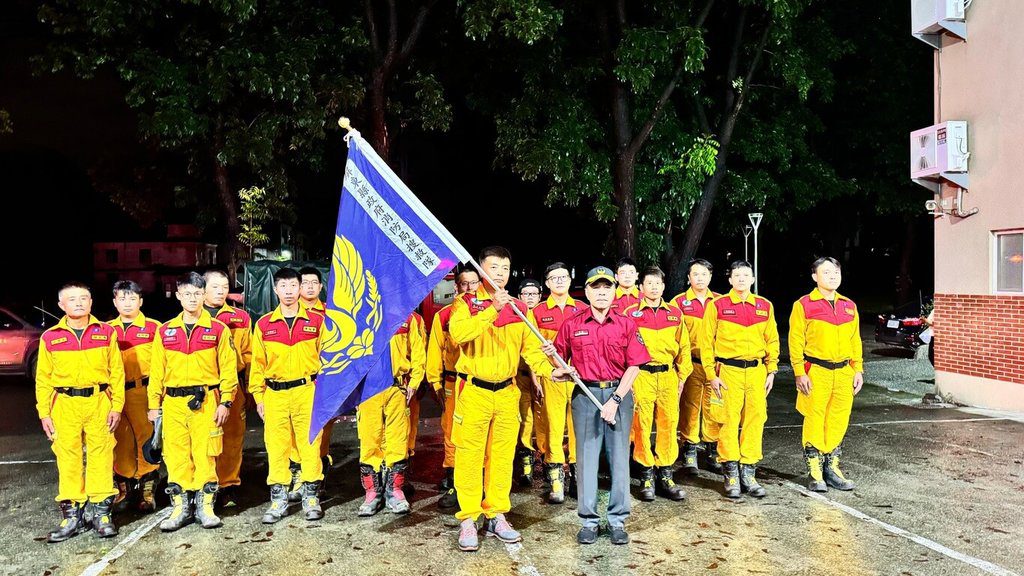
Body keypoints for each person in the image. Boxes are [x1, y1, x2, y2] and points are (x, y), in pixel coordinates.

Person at [448, 246, 560, 552]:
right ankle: (469, 517)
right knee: (470, 457)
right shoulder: (465, 304)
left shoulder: (520, 309)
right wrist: (492, 310)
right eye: (494, 267)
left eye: (505, 268)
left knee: (501, 457)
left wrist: (552, 372)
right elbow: (459, 335)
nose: (500, 273)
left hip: (508, 393)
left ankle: (496, 513)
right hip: (474, 392)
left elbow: (532, 351)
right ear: (481, 270)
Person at [553, 266, 651, 545]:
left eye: (607, 287)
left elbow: (635, 365)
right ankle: (589, 521)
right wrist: (556, 368)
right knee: (586, 460)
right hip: (585, 396)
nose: (602, 293)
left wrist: (616, 400)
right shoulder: (572, 324)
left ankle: (617, 520)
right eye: (596, 287)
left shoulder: (626, 324)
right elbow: (558, 362)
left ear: (614, 291)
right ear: (586, 292)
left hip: (619, 394)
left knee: (619, 459)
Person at [148, 272, 239, 531]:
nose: (192, 298)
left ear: (204, 295)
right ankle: (181, 508)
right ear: (178, 296)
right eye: (187, 293)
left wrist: (226, 401)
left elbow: (228, 369)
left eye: (198, 293)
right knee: (176, 456)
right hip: (173, 404)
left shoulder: (218, 329)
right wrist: (153, 405)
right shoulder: (165, 331)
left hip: (207, 401)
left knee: (206, 454)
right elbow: (156, 372)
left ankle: (205, 507)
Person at [36, 282, 125, 542]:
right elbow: (43, 379)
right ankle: (72, 516)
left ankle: (102, 514)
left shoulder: (106, 333)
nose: (78, 303)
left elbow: (117, 373)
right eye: (72, 299)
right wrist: (44, 413)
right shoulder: (50, 337)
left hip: (99, 402)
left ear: (91, 302)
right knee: (68, 458)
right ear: (61, 305)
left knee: (102, 456)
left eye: (83, 298)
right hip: (64, 405)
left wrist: (116, 406)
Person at [249, 267, 327, 524]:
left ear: (300, 288)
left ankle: (311, 497)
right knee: (277, 447)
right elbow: (257, 365)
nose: (289, 291)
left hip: (307, 391)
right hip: (275, 394)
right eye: (283, 286)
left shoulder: (317, 322)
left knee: (310, 444)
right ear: (275, 290)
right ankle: (278, 499)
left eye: (293, 285)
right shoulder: (264, 325)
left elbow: (328, 359)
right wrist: (258, 397)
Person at [700, 261, 779, 499]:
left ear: (752, 279)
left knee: (756, 419)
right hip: (728, 372)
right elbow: (706, 343)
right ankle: (731, 473)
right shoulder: (717, 305)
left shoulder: (764, 306)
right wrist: (711, 375)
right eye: (737, 275)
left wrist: (771, 371)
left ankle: (749, 472)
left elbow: (772, 340)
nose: (742, 279)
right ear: (730, 280)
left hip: (756, 372)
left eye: (746, 275)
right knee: (727, 421)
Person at [788, 257, 863, 492]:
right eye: (826, 272)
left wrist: (858, 369)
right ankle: (815, 471)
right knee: (814, 418)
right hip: (816, 371)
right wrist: (799, 372)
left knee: (839, 419)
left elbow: (855, 340)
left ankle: (832, 468)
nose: (832, 276)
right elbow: (795, 341)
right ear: (815, 277)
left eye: (836, 272)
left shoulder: (849, 306)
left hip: (844, 372)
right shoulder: (804, 305)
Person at [623, 267, 691, 501]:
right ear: (641, 287)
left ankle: (665, 475)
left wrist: (681, 377)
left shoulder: (675, 314)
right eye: (649, 283)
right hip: (641, 375)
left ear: (663, 287)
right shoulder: (631, 314)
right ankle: (646, 476)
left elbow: (684, 348)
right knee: (641, 425)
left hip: (668, 376)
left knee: (668, 423)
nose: (654, 287)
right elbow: (623, 349)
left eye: (658, 283)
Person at [356, 312, 426, 516]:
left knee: (398, 441)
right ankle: (372, 493)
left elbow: (418, 353)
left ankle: (395, 491)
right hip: (368, 390)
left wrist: (414, 383)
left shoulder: (408, 318)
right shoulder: (360, 315)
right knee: (370, 441)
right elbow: (349, 356)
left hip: (397, 388)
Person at [426, 268, 480, 509]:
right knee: (451, 432)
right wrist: (435, 383)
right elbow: (435, 350)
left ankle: (478, 481)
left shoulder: (485, 313)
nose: (469, 288)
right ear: (456, 287)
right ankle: (453, 480)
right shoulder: (444, 316)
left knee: (477, 433)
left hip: (477, 382)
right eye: (464, 284)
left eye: (473, 283)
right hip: (452, 382)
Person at [109, 280, 161, 513]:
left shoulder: (154, 328)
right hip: (116, 393)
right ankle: (124, 486)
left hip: (144, 391)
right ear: (115, 302)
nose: (127, 303)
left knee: (147, 439)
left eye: (132, 298)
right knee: (120, 440)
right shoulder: (106, 330)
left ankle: (147, 487)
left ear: (141, 301)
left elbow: (162, 365)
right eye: (122, 298)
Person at [203, 270, 252, 508]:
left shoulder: (240, 317)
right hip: (204, 388)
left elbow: (249, 355)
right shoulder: (192, 317)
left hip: (233, 386)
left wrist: (250, 388)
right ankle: (206, 485)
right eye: (215, 287)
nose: (221, 291)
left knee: (232, 437)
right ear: (202, 290)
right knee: (205, 439)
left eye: (225, 286)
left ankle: (229, 485)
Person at [670, 258, 723, 474]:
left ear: (710, 277)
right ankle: (689, 448)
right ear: (688, 277)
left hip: (715, 366)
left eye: (704, 274)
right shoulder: (678, 303)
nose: (700, 278)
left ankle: (712, 449)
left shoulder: (720, 301)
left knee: (714, 406)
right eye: (695, 274)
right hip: (691, 364)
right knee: (689, 407)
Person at [515, 277, 548, 488]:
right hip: (521, 377)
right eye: (525, 294)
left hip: (544, 377)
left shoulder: (545, 315)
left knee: (544, 421)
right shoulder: (516, 315)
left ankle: (547, 460)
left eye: (533, 294)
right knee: (524, 420)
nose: (529, 298)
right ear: (519, 296)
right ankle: (526, 463)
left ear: (540, 295)